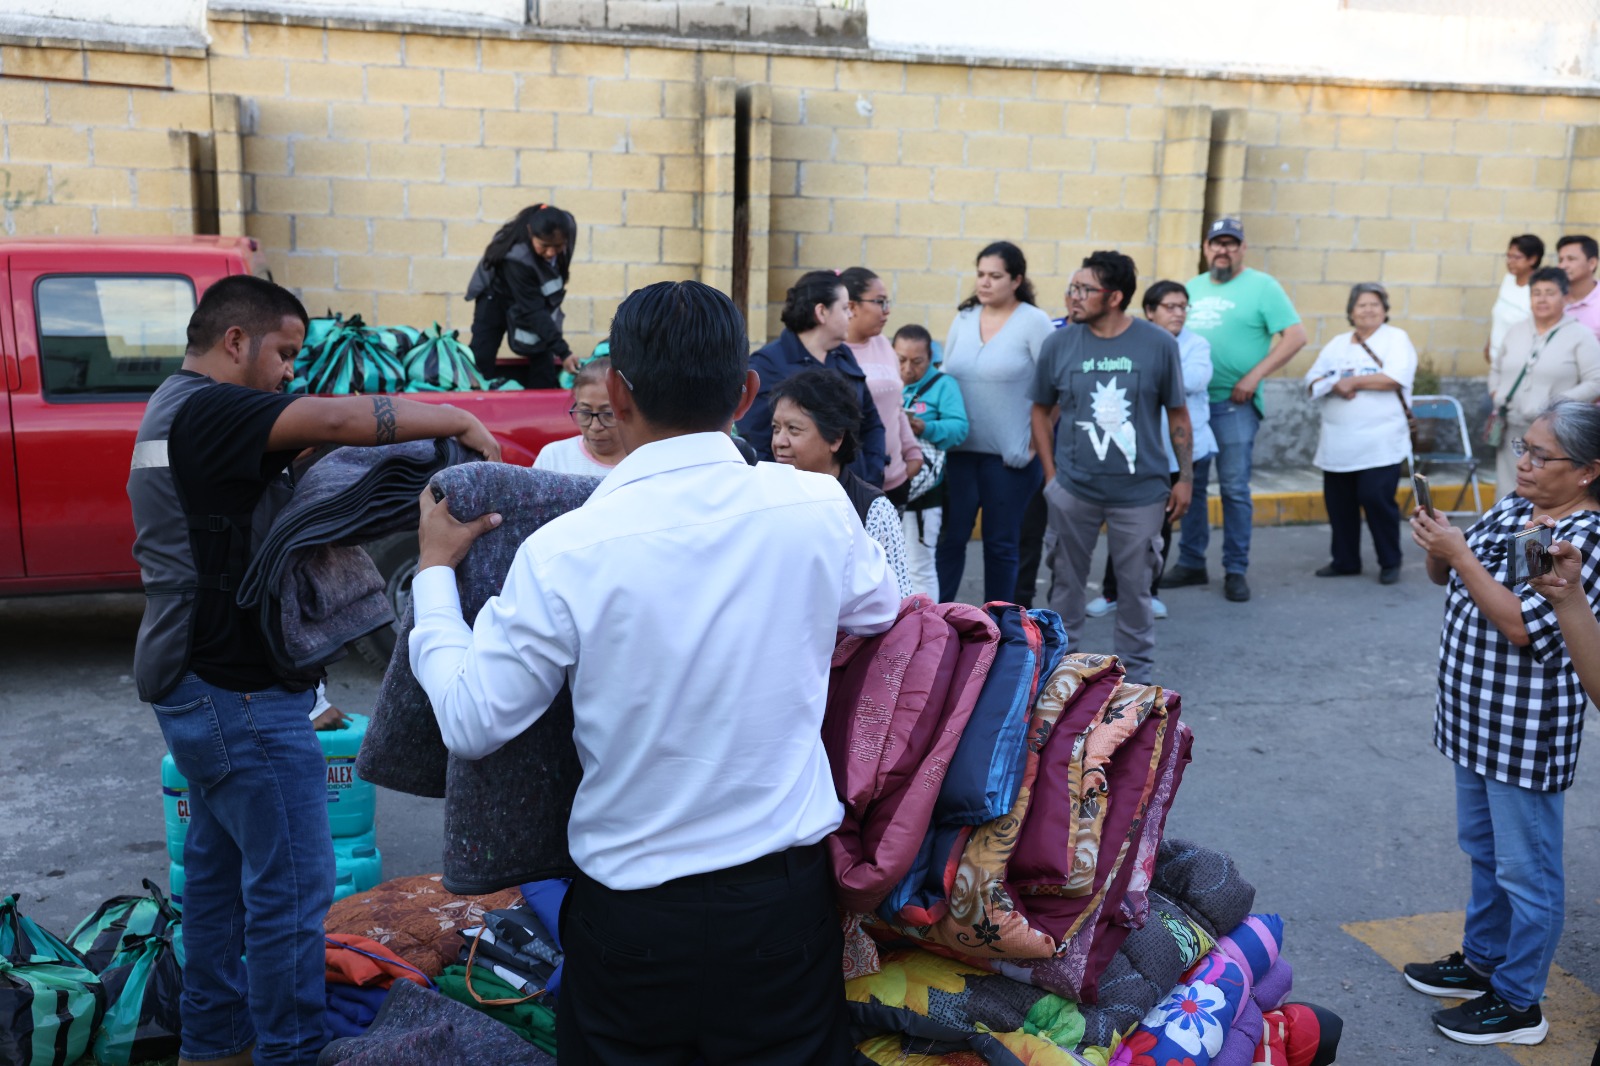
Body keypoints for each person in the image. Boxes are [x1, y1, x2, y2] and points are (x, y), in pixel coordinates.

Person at [408, 280, 900, 1065]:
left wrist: (435, 576)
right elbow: (880, 611)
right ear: (745, 393)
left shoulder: (567, 550)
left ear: (619, 392)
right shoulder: (813, 508)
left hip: (633, 922)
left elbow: (471, 719)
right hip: (782, 910)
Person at [126, 275, 500, 1066]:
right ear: (237, 341)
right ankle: (291, 1051)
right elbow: (337, 417)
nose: (290, 371)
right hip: (237, 694)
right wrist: (459, 416)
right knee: (293, 889)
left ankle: (214, 1044)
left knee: (221, 882)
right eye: (285, 353)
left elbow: (304, 440)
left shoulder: (173, 408)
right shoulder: (213, 408)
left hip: (192, 679)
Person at [1404, 400, 1600, 1048]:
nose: (1524, 463)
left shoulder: (1578, 541)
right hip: (1476, 719)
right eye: (1525, 447)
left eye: (1542, 456)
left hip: (1524, 732)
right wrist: (1439, 544)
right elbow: (1450, 577)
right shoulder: (1518, 509)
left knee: (1528, 870)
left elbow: (1520, 624)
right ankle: (1482, 958)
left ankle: (1519, 1000)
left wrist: (1459, 555)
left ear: (1588, 471)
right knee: (1483, 853)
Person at [1030, 250, 1191, 685]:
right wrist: (1051, 478)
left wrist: (1185, 478)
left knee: (1135, 590)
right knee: (1065, 585)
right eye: (1071, 287)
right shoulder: (1058, 343)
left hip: (1142, 493)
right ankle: (1060, 678)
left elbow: (1178, 414)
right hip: (1074, 490)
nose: (1072, 297)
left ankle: (1135, 686)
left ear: (1115, 296)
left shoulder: (1158, 344)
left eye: (1084, 290)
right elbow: (1041, 410)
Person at [1164, 217, 1306, 603]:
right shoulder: (1191, 289)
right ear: (1206, 248)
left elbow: (1296, 336)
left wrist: (1254, 377)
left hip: (1234, 405)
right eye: (1216, 243)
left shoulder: (1263, 286)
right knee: (1189, 484)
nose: (1222, 249)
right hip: (1189, 408)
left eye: (1231, 243)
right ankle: (1192, 561)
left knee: (1234, 490)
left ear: (1242, 249)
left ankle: (1235, 569)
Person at [1087, 280, 1215, 620]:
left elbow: (1192, 381)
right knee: (1123, 523)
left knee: (1160, 527)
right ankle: (1112, 592)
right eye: (1170, 307)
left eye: (1183, 307)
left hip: (1176, 454)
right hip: (1136, 450)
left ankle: (1148, 592)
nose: (1178, 313)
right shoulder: (1135, 343)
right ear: (1149, 311)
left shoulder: (1196, 345)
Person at [937, 240, 1055, 603]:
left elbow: (1057, 389)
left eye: (995, 276)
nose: (984, 282)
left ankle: (1000, 633)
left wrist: (1034, 443)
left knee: (1002, 546)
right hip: (958, 454)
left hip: (1010, 460)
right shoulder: (964, 317)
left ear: (1016, 279)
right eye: (980, 274)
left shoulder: (1034, 322)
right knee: (950, 541)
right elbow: (944, 378)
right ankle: (936, 625)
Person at [1302, 283, 1416, 584]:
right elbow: (1312, 378)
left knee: (1376, 499)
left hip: (1380, 440)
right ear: (1351, 312)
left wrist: (1351, 383)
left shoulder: (1396, 339)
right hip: (1337, 442)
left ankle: (1390, 560)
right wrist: (1333, 384)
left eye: (1374, 304)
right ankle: (1345, 560)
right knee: (1339, 504)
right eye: (1361, 305)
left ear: (1385, 310)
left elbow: (1395, 377)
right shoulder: (1338, 344)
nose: (1368, 310)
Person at [770, 368, 913, 597]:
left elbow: (900, 598)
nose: (779, 441)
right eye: (776, 428)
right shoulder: (765, 495)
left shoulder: (872, 508)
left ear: (836, 438)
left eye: (793, 430)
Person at [736, 270, 888, 486]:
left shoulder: (843, 355)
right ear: (822, 312)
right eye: (845, 308)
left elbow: (871, 422)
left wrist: (871, 475)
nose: (851, 315)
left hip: (854, 493)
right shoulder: (767, 364)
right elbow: (759, 444)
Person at [1489, 266, 1600, 494]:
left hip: (1555, 435)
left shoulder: (1580, 335)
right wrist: (1496, 394)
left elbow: (1596, 381)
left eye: (1550, 292)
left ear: (1565, 297)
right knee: (1508, 488)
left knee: (1543, 491)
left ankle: (1536, 529)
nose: (1542, 299)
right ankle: (1507, 529)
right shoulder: (1515, 331)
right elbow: (1496, 368)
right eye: (1536, 293)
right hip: (1511, 426)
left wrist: (1554, 407)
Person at [465, 203, 578, 389]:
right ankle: (477, 402)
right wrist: (564, 352)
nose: (551, 253)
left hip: (531, 295)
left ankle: (542, 404)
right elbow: (533, 310)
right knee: (482, 356)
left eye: (557, 246)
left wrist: (559, 350)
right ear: (530, 233)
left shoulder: (568, 228)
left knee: (541, 350)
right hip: (494, 297)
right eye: (544, 246)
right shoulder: (516, 256)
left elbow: (537, 311)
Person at [842, 267, 923, 509]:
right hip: (854, 483)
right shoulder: (834, 350)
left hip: (896, 479)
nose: (887, 310)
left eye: (887, 302)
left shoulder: (883, 345)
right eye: (879, 302)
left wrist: (913, 454)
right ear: (852, 306)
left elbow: (895, 407)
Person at [897, 323, 968, 600]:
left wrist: (924, 428)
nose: (907, 369)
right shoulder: (884, 381)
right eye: (901, 359)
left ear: (931, 358)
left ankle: (927, 635)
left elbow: (959, 429)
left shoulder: (943, 385)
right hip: (886, 487)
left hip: (924, 493)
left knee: (920, 566)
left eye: (917, 361)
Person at [533, 357, 623, 477]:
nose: (595, 427)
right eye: (585, 413)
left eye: (607, 414)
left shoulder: (646, 461)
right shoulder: (554, 457)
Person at [1486, 235, 1543, 365]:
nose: (1510, 261)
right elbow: (1499, 314)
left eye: (1516, 257)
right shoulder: (1509, 280)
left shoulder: (1539, 290)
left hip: (1518, 361)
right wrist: (1489, 343)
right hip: (1496, 355)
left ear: (1533, 259)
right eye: (1508, 256)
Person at [1557, 234, 1600, 341]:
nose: (1563, 266)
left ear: (1592, 263)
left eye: (1571, 259)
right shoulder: (1553, 297)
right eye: (1561, 260)